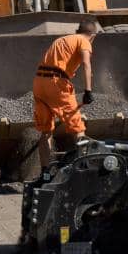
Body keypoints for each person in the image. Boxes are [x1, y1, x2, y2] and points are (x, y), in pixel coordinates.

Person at [33, 20, 99, 176]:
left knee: (46, 131)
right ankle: (84, 171)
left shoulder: (61, 40)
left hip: (39, 83)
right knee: (78, 128)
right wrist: (88, 91)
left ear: (77, 30)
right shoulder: (84, 41)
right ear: (93, 35)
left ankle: (46, 174)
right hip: (57, 84)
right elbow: (86, 64)